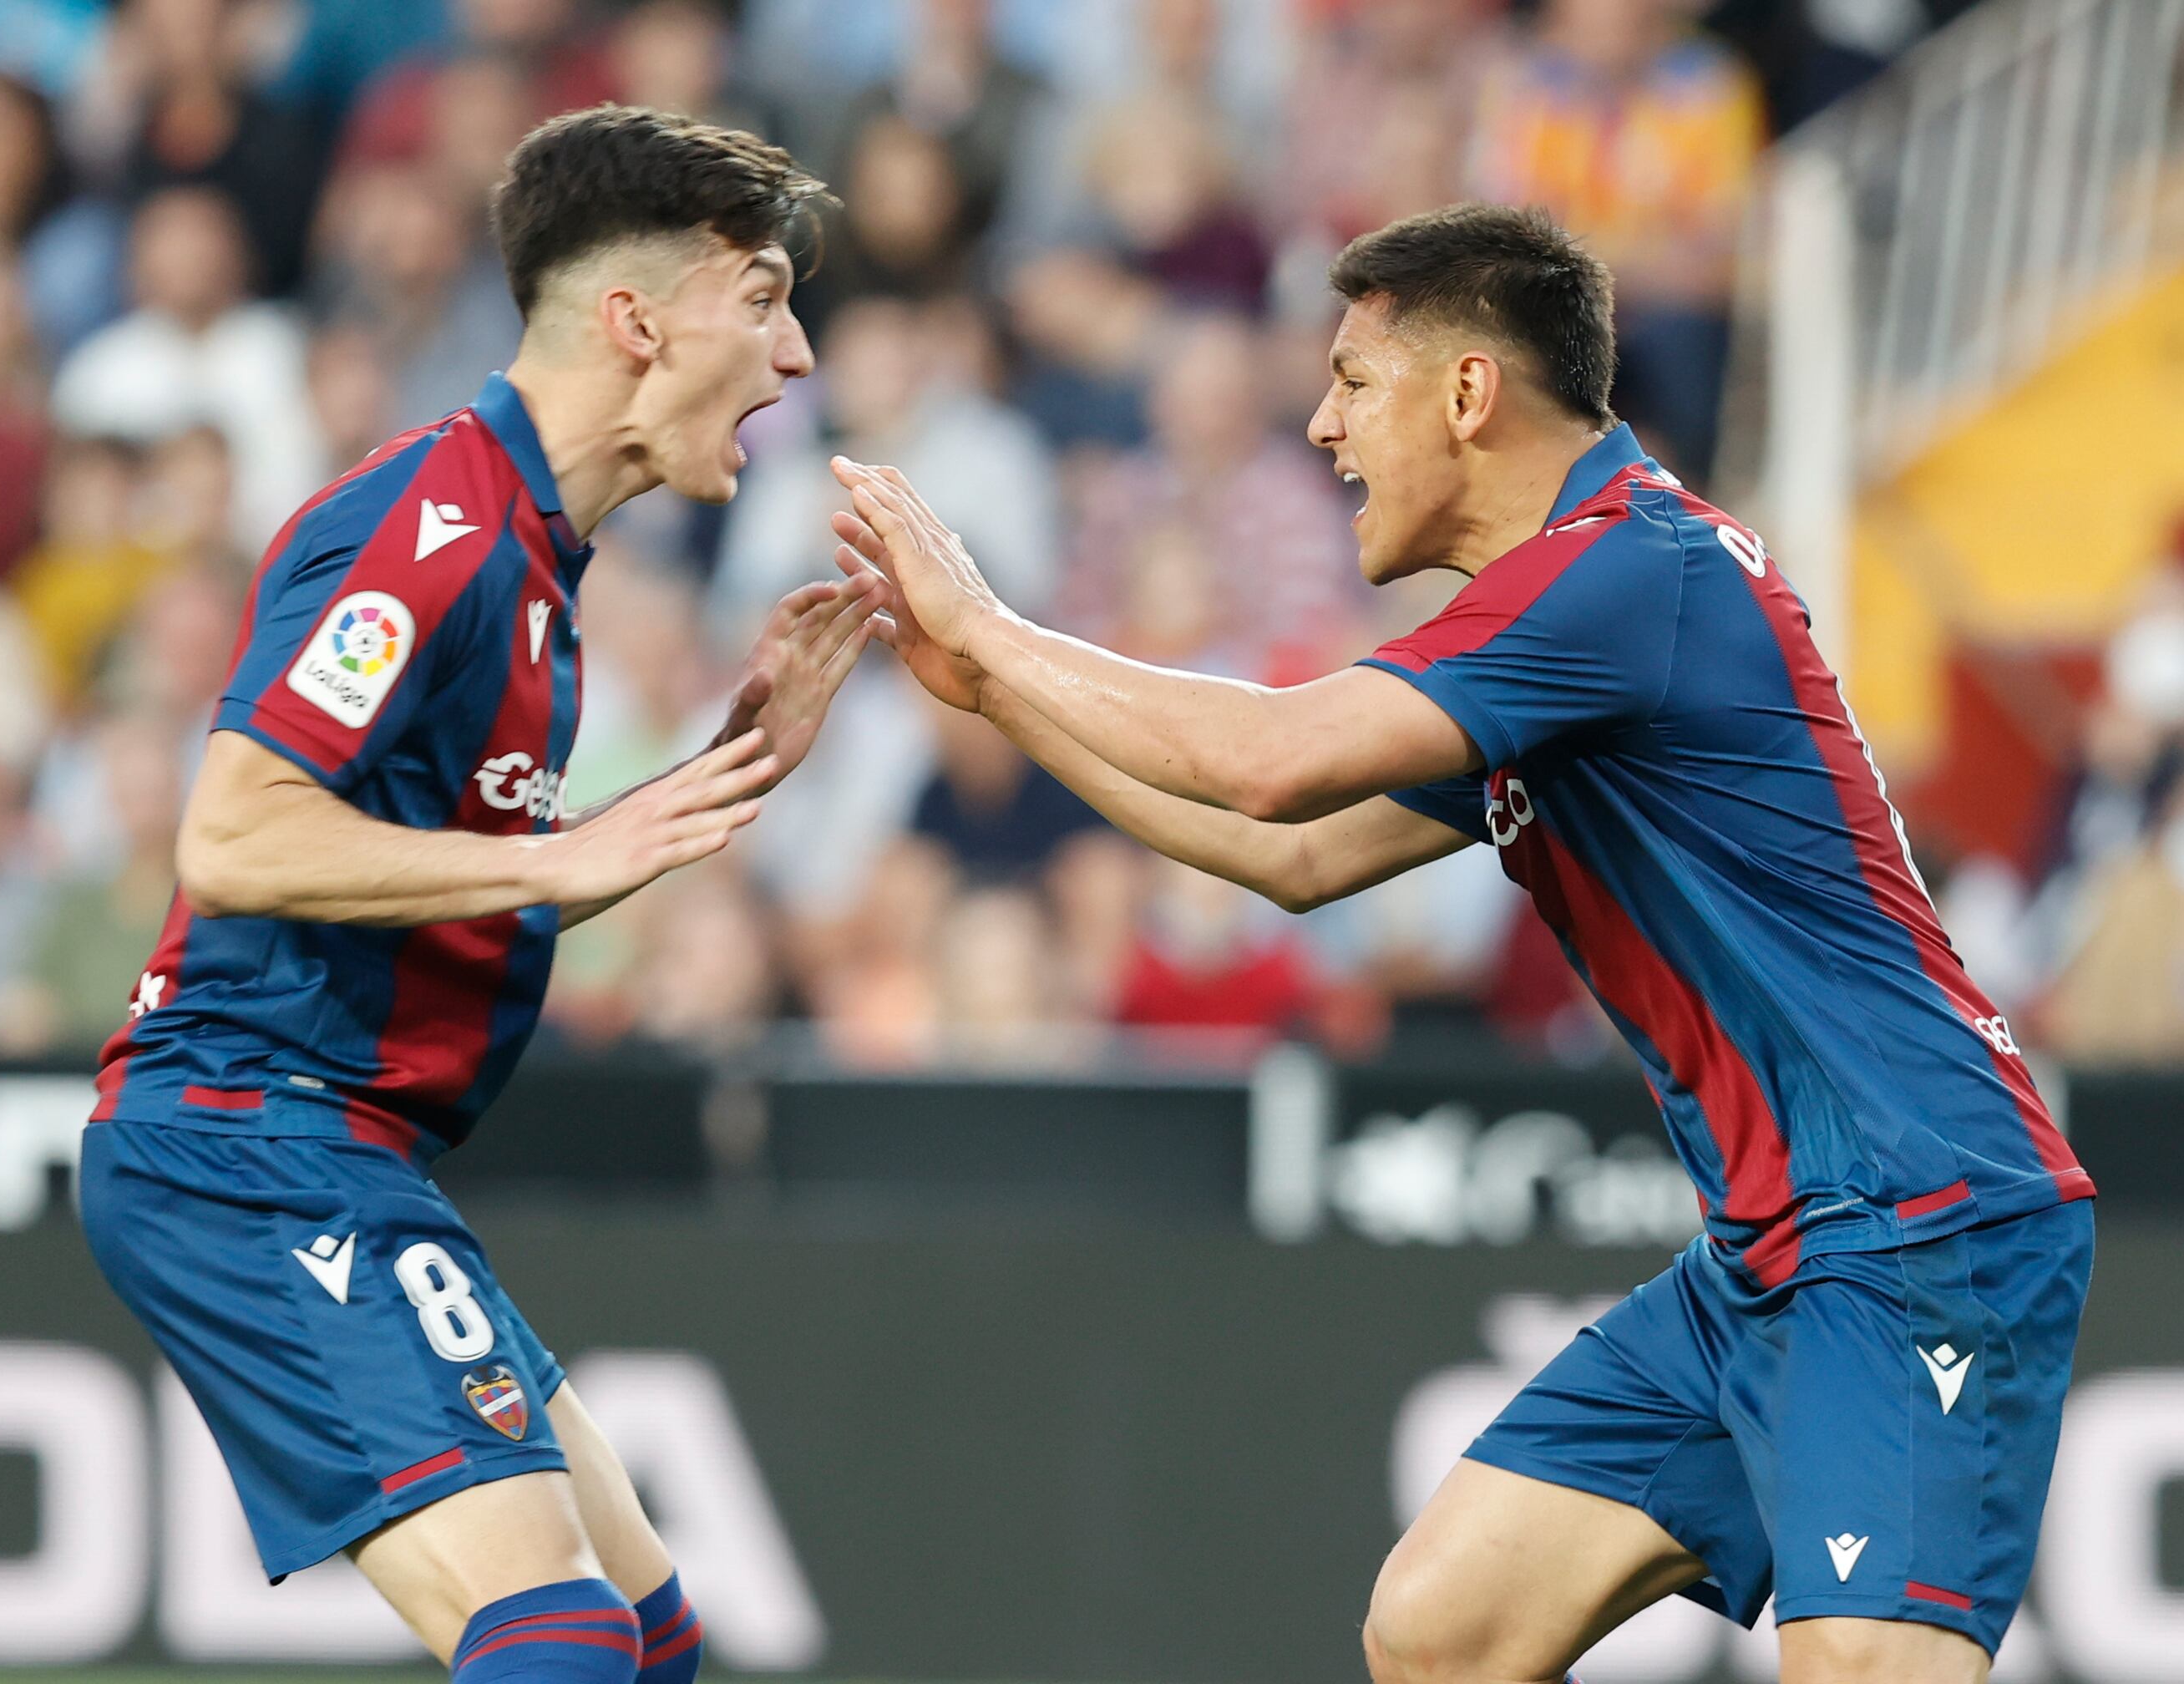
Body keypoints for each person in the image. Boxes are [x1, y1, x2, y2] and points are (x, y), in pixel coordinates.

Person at [831, 203, 2095, 1684]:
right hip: (1770, 1253)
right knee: (1443, 1628)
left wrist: (990, 626)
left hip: (1921, 1216)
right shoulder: (1554, 623)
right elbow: (1292, 857)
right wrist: (999, 700)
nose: (1320, 424)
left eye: (1353, 382)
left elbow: (1273, 762)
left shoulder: (1626, 574)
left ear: (1470, 393)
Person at [75, 106, 880, 1684]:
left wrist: (709, 779)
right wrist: (554, 857)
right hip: (249, 1136)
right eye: (767, 297)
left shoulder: (528, 556)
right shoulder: (430, 525)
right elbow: (236, 837)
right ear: (635, 319)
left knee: (647, 1644)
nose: (794, 359)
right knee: (560, 1636)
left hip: (338, 1143)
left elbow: (440, 888)